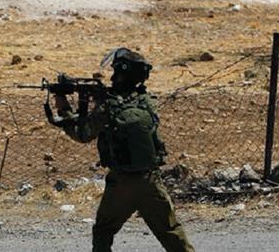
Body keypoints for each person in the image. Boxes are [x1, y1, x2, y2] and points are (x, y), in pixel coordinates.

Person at [53, 48, 195, 252]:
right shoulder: (147, 103)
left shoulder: (108, 107)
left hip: (121, 183)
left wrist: (63, 107)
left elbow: (82, 134)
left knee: (103, 231)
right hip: (151, 181)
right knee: (171, 232)